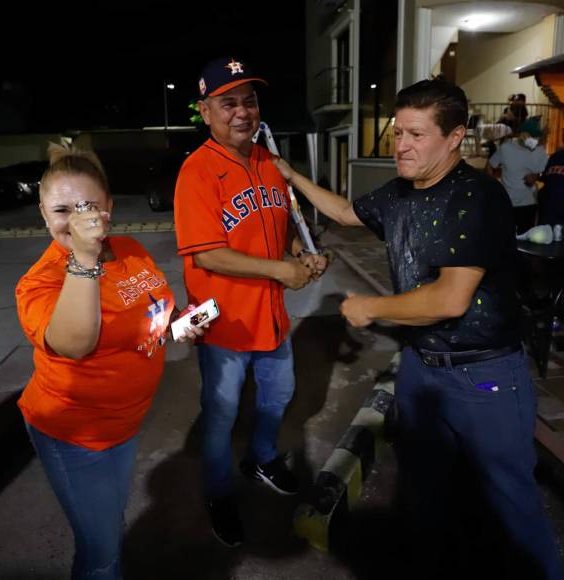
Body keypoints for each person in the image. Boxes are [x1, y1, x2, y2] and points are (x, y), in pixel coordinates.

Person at [272, 79, 563, 579]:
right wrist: (291, 175)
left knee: (510, 502)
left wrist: (371, 308)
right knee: (424, 492)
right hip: (422, 369)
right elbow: (344, 212)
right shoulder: (401, 191)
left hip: (485, 377)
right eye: (397, 133)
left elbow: (450, 299)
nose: (401, 145)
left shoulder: (476, 197)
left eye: (416, 134)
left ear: (454, 137)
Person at [16, 143, 201, 579]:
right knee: (103, 555)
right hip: (76, 435)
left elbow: (147, 316)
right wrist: (83, 257)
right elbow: (76, 343)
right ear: (43, 214)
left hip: (125, 424)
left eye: (88, 207)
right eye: (62, 210)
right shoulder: (40, 283)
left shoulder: (130, 248)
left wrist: (177, 325)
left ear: (110, 208)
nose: (77, 220)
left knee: (109, 525)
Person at [173, 56, 329, 548]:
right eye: (228, 103)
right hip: (224, 323)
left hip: (272, 317)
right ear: (205, 110)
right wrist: (281, 271)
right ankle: (220, 494)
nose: (242, 112)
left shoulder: (268, 162)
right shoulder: (196, 171)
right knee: (219, 416)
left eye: (250, 100)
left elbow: (274, 232)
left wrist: (299, 254)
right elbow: (211, 254)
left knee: (279, 397)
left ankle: (260, 458)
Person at [487, 118, 548, 233]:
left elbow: (545, 173)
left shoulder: (539, 151)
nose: (534, 139)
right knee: (504, 235)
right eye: (532, 135)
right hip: (506, 202)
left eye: (536, 136)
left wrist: (536, 176)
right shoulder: (506, 148)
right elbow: (491, 165)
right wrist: (492, 186)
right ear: (521, 134)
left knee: (526, 236)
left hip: (529, 202)